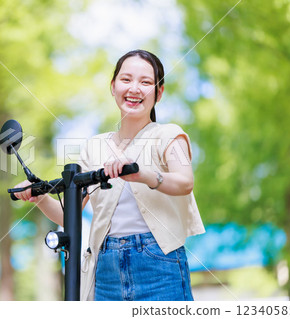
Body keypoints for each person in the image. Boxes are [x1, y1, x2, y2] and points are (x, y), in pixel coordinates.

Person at [13, 49, 205, 301]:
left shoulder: (170, 135)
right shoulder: (94, 147)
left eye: (145, 82)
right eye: (126, 79)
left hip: (160, 264)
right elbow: (69, 214)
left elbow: (185, 182)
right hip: (105, 268)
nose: (134, 88)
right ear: (113, 86)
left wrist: (144, 175)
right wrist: (38, 197)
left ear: (159, 92)